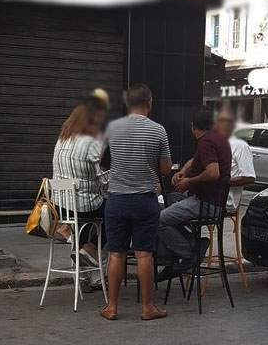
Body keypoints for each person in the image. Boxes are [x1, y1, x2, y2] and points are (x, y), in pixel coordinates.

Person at [99, 84, 171, 321]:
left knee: (117, 254)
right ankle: (148, 307)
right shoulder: (158, 130)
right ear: (149, 103)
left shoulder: (112, 128)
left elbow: (104, 163)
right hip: (144, 201)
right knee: (144, 256)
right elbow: (165, 168)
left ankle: (112, 307)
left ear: (127, 104)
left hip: (117, 200)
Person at [157, 106, 231, 282]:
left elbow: (213, 172)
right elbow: (196, 160)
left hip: (206, 203)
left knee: (157, 220)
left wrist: (190, 181)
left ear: (192, 126)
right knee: (170, 204)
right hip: (213, 201)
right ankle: (185, 247)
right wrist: (183, 171)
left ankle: (189, 250)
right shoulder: (217, 138)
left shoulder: (206, 142)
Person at [51, 103, 107, 290]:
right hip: (83, 205)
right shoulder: (90, 142)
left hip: (60, 204)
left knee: (82, 229)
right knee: (116, 214)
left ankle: (83, 277)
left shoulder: (62, 140)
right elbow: (102, 178)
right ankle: (90, 247)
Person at [213, 110, 257, 213]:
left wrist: (224, 182)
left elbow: (249, 177)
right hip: (207, 196)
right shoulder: (214, 142)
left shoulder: (240, 146)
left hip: (223, 201)